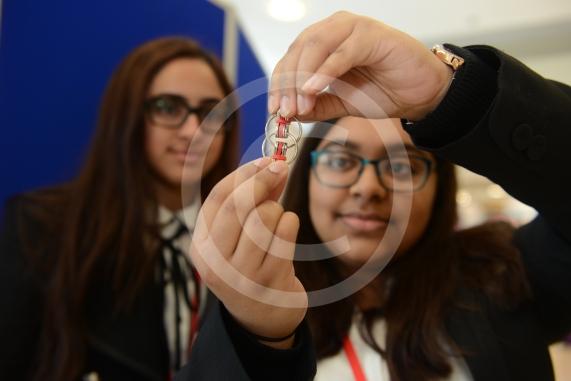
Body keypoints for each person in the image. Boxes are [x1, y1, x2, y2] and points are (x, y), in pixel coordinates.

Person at [175, 11, 571, 381]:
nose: (368, 188)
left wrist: (448, 93)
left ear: (441, 188)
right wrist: (261, 338)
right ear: (306, 176)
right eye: (342, 160)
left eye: (404, 167)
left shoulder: (507, 277)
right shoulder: (249, 302)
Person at [0, 37, 240, 381]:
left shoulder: (237, 241)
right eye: (168, 108)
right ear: (128, 115)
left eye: (211, 113)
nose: (193, 131)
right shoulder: (42, 228)